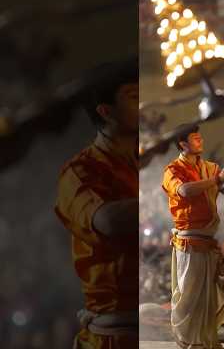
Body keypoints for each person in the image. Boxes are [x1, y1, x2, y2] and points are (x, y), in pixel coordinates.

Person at [54, 60, 139, 349]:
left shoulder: (142, 161)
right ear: (106, 112)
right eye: (135, 97)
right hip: (114, 337)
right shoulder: (79, 171)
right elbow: (108, 221)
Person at [162, 124, 224, 349]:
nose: (201, 141)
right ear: (183, 144)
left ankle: (205, 342)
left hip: (207, 242)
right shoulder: (173, 169)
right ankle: (190, 343)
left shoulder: (210, 168)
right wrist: (217, 180)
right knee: (189, 296)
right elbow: (185, 191)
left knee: (206, 297)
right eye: (195, 138)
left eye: (200, 138)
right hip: (189, 242)